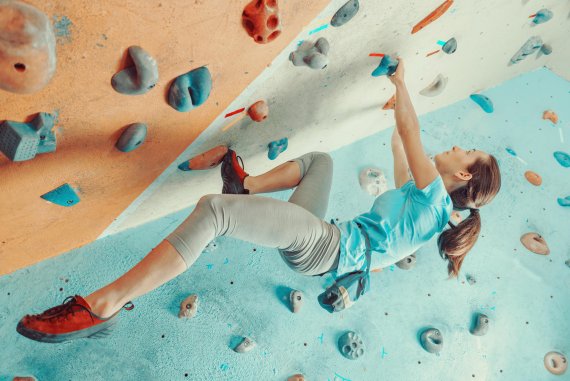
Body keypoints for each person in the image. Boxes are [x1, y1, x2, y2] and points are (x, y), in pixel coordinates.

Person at [16, 59, 501, 343]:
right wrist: (392, 110)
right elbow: (401, 145)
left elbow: (411, 131)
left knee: (213, 212)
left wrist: (400, 80)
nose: (458, 145)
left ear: (461, 174)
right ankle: (244, 188)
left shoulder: (437, 201)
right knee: (320, 162)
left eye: (466, 150)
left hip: (326, 247)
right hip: (325, 246)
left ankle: (104, 303)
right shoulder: (425, 204)